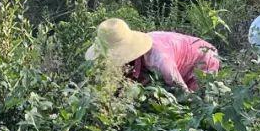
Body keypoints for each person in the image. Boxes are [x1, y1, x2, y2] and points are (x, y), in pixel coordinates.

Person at [86, 18, 220, 93]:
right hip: (175, 53)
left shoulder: (159, 60)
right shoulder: (138, 58)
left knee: (199, 102)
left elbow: (183, 93)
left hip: (203, 55)